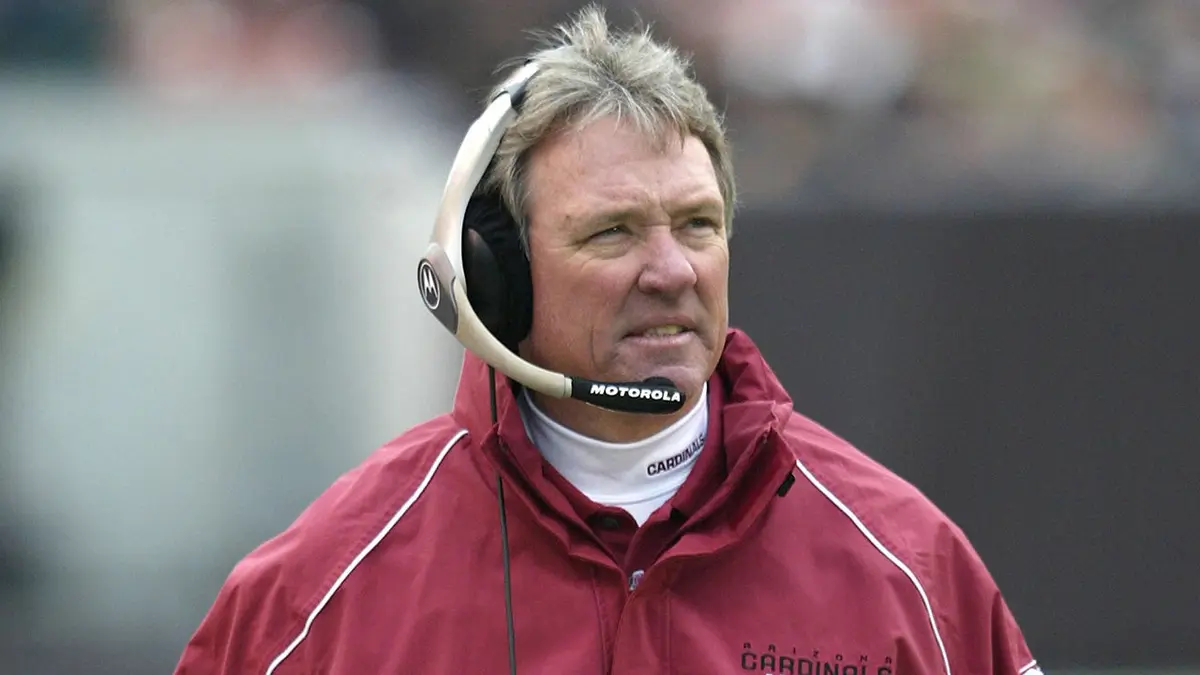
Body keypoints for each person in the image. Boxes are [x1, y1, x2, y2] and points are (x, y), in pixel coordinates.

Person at [174, 6, 1041, 674]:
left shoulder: (908, 562)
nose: (670, 269)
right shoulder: (323, 586)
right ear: (496, 274)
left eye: (697, 225)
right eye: (613, 233)